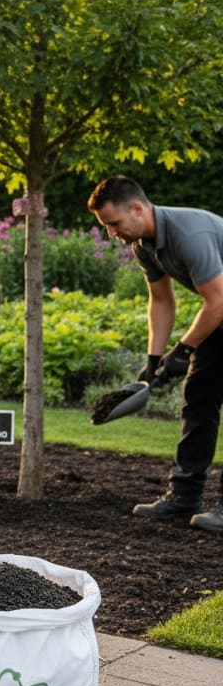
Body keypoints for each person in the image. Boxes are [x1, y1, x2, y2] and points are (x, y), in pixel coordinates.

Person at [87, 175, 223, 532]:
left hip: (221, 305)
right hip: (219, 313)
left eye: (113, 223)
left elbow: (218, 299)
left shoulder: (189, 233)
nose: (112, 233)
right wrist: (154, 359)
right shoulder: (143, 246)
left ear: (137, 208)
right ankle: (184, 497)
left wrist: (185, 349)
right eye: (106, 227)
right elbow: (161, 301)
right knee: (198, 399)